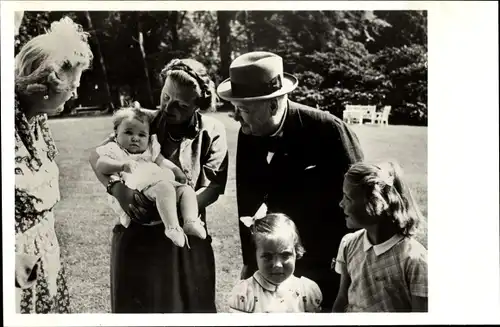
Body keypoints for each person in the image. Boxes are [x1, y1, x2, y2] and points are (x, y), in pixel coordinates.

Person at [217, 51, 365, 311]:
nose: (237, 117)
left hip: (328, 266)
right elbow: (247, 201)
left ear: (273, 104)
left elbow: (360, 203)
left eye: (243, 110)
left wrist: (350, 269)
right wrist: (249, 261)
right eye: (235, 109)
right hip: (275, 265)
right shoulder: (248, 132)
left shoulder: (329, 131)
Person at [89, 58, 228, 313]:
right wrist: (120, 192)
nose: (168, 108)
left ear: (199, 106)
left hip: (187, 232)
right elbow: (97, 156)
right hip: (139, 234)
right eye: (165, 97)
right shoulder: (143, 121)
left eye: (181, 105)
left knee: (189, 307)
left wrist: (176, 209)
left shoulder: (212, 131)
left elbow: (214, 186)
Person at [15, 17, 93, 313]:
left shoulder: (38, 123)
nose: (75, 93)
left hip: (44, 249)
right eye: (71, 85)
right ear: (45, 83)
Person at [95, 107, 206, 247]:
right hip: (141, 188)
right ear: (116, 132)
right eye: (128, 132)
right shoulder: (114, 149)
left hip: (161, 183)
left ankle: (190, 221)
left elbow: (162, 160)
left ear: (148, 137)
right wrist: (121, 166)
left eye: (142, 135)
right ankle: (172, 228)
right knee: (164, 188)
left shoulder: (150, 149)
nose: (135, 138)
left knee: (186, 191)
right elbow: (101, 164)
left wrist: (177, 171)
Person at [332, 161, 428, 312]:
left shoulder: (414, 258)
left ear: (376, 202)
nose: (341, 203)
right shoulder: (349, 244)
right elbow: (342, 298)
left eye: (348, 198)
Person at [229, 211, 323, 313]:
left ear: (296, 252)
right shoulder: (246, 293)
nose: (277, 265)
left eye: (285, 255)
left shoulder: (306, 292)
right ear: (255, 255)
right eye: (268, 256)